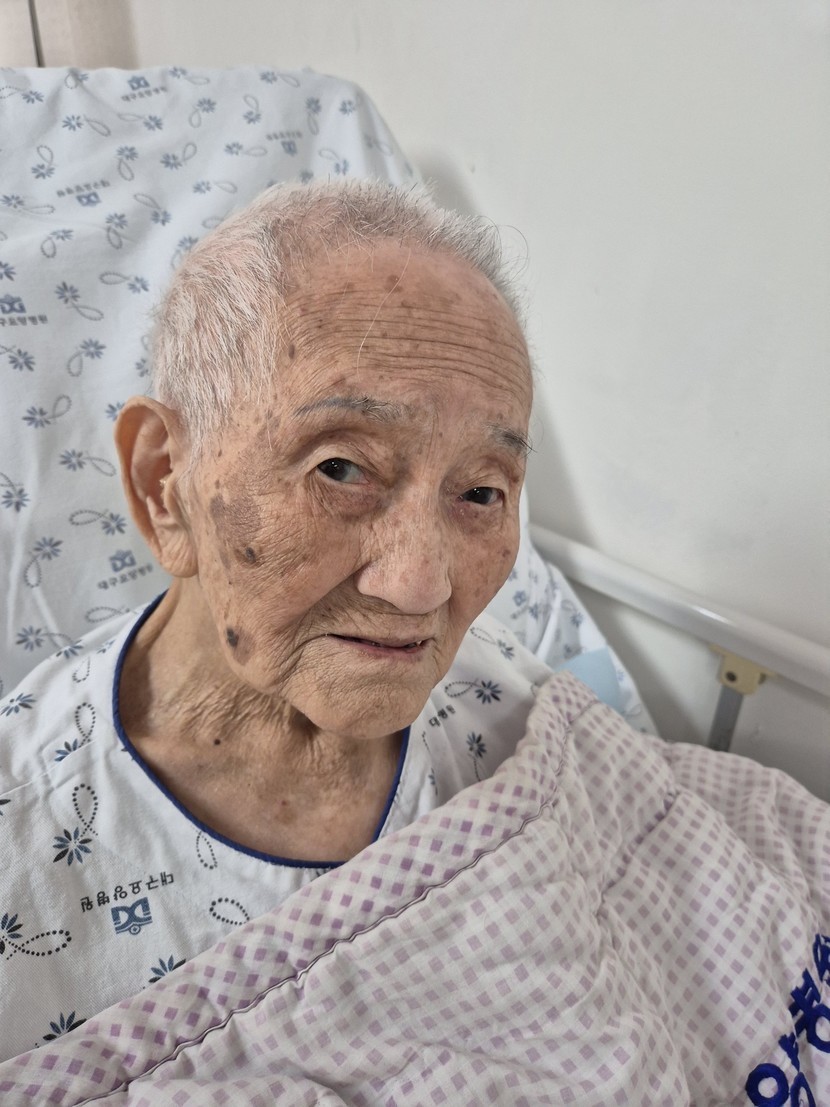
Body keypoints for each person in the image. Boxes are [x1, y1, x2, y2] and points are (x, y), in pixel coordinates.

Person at [0, 179, 559, 1060]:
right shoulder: (24, 849)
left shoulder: (520, 715)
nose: (421, 585)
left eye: (482, 491)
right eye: (340, 469)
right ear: (164, 484)